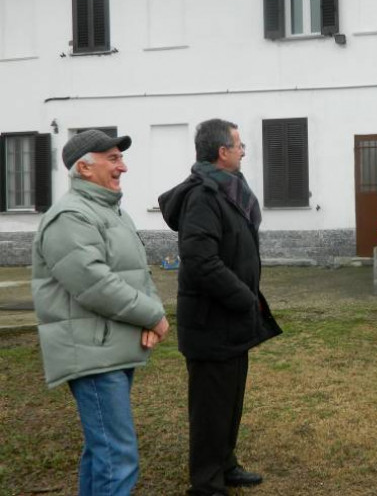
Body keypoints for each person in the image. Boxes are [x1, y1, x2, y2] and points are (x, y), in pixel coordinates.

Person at [31, 129, 170, 495]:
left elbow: (138, 272)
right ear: (84, 167)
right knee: (118, 458)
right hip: (91, 353)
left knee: (103, 453)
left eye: (120, 157)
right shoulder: (69, 217)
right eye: (112, 158)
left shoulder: (111, 212)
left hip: (109, 348)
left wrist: (151, 312)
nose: (122, 166)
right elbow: (94, 284)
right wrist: (152, 316)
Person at [159, 118, 282, 496]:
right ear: (222, 152)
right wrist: (244, 297)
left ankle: (225, 464)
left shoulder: (229, 190)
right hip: (211, 323)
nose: (244, 151)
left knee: (229, 400)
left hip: (231, 321)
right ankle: (206, 483)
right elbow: (200, 261)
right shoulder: (204, 196)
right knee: (210, 407)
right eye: (239, 145)